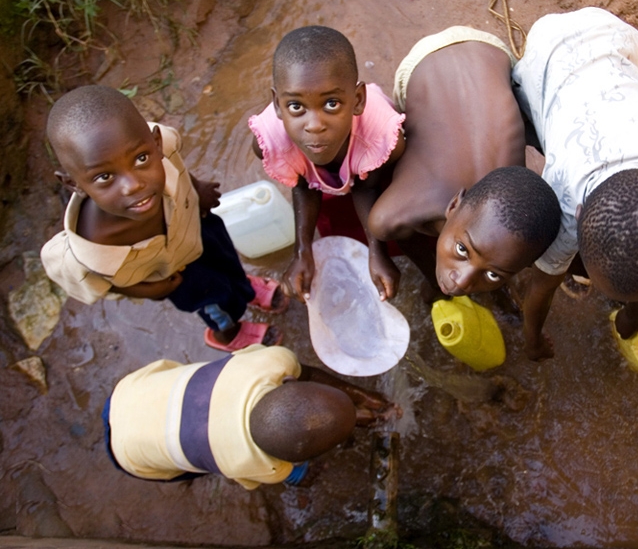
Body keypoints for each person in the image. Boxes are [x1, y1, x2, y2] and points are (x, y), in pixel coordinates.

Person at [510, 7, 638, 361]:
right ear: (575, 214)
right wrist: (533, 339)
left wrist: (636, 308)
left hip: (612, 37)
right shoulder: (562, 197)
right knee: (537, 124)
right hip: (545, 53)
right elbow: (541, 286)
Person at [41, 85, 286, 352]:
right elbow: (101, 283)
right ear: (73, 184)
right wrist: (146, 290)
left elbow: (174, 163)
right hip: (176, 274)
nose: (133, 185)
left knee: (228, 260)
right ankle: (227, 333)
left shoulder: (161, 146)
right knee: (214, 302)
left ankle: (244, 287)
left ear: (155, 143)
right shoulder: (91, 248)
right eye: (104, 177)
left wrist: (196, 188)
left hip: (197, 227)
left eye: (141, 159)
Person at [364, 26, 561, 301]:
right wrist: (432, 281)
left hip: (490, 54)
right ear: (453, 204)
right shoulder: (391, 216)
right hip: (423, 62)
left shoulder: (519, 203)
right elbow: (390, 229)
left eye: (493, 275)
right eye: (461, 250)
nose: (462, 281)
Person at [249, 26, 406, 303]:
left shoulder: (382, 138)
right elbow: (302, 184)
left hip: (371, 172)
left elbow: (368, 186)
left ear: (358, 100)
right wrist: (302, 250)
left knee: (394, 229)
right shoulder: (271, 142)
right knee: (335, 225)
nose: (314, 125)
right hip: (329, 179)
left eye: (331, 103)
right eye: (296, 106)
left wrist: (376, 251)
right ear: (277, 104)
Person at [104, 344, 396, 488]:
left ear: (288, 381)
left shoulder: (270, 363)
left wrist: (360, 397)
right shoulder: (263, 468)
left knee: (192, 441)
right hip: (129, 453)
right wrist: (295, 474)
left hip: (131, 392)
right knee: (191, 465)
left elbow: (306, 373)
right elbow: (277, 468)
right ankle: (300, 476)